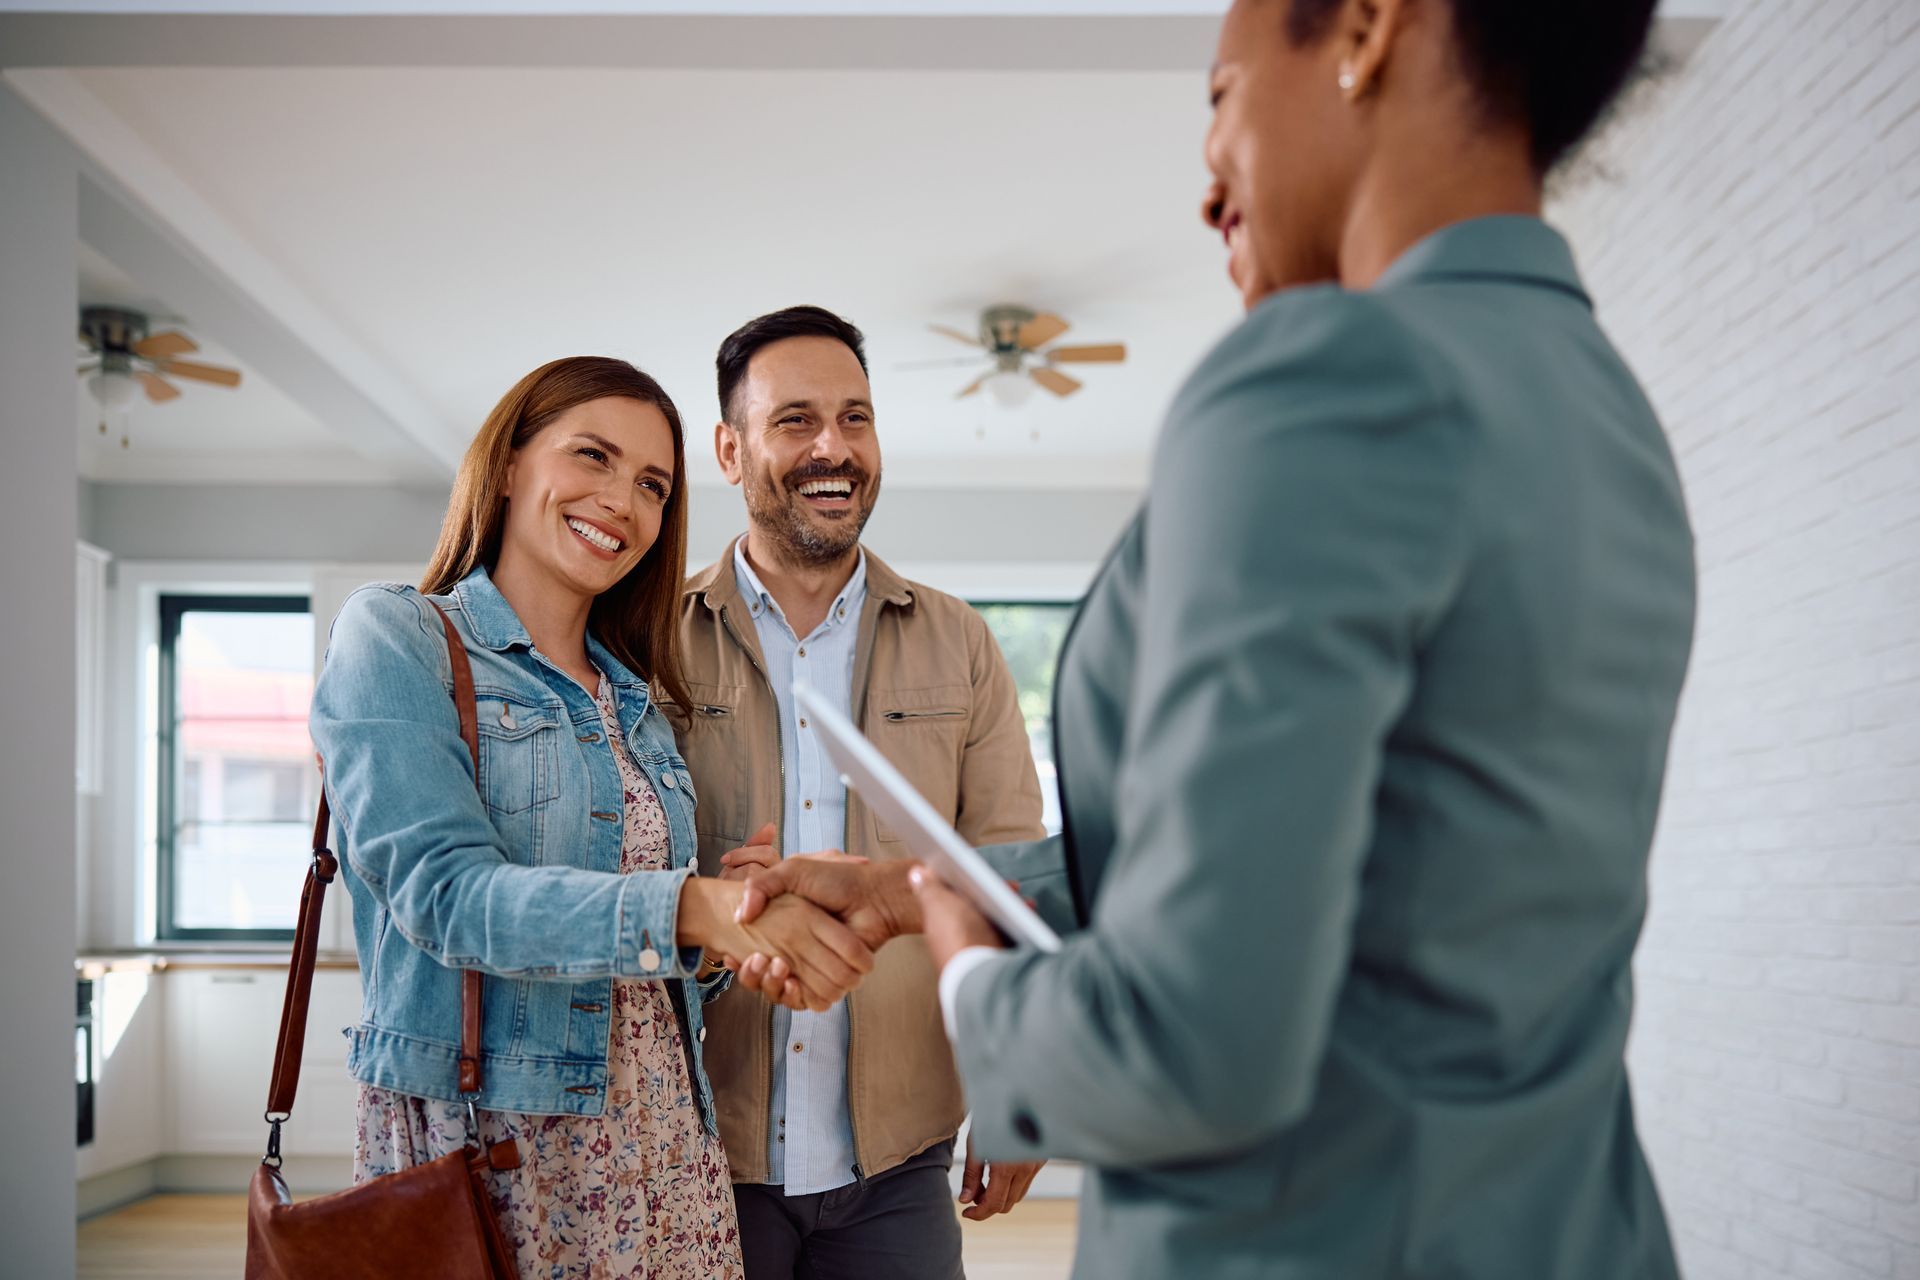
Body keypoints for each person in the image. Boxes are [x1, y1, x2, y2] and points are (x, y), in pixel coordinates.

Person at [734, 0, 1697, 1275]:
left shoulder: (1319, 381)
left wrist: (973, 984)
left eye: (1221, 96)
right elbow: (1375, 863)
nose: (1207, 186)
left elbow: (1188, 1042)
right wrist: (922, 888)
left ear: (1364, 28)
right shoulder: (1603, 408)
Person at [310, 355, 876, 1280]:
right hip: (499, 1152)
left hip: (667, 1153)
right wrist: (685, 908)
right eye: (593, 457)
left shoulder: (636, 700)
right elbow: (445, 897)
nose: (623, 500)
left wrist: (726, 927)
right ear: (508, 465)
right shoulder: (398, 636)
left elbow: (652, 981)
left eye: (653, 485)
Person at [673, 306, 1048, 1279]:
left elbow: (1012, 873)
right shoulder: (651, 639)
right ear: (730, 447)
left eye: (856, 417)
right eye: (794, 419)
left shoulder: (960, 641)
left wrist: (1019, 1084)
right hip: (701, 1151)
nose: (832, 446)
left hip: (900, 1162)